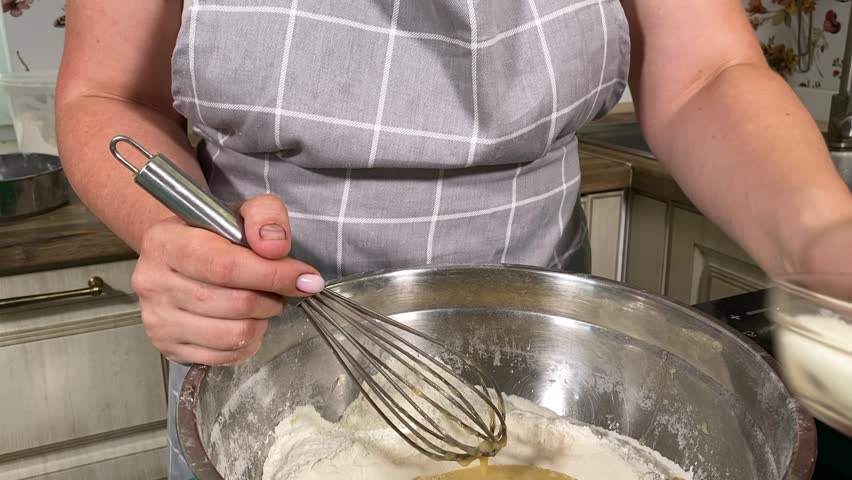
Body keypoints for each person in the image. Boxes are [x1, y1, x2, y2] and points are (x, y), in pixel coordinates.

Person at [56, 0, 852, 478]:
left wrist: (823, 234)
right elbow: (106, 93)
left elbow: (705, 73)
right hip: (259, 343)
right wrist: (175, 229)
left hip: (542, 357)